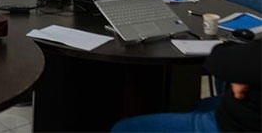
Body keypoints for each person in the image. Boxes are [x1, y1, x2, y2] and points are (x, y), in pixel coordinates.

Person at [111, 39, 261, 132]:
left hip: (236, 123)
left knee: (124, 128)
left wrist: (241, 70)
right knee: (199, 104)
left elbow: (218, 60)